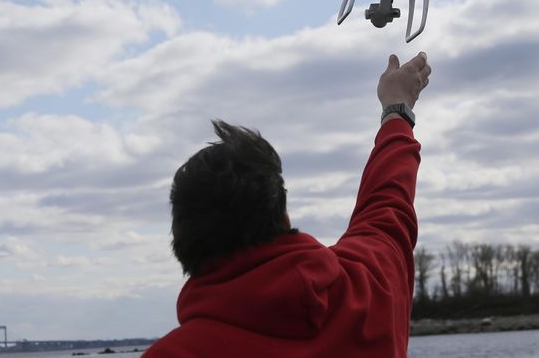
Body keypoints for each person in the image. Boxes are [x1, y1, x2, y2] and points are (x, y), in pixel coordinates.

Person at [144, 52, 431, 357]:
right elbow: (387, 204)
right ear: (282, 216)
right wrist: (396, 111)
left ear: (180, 242)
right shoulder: (369, 291)